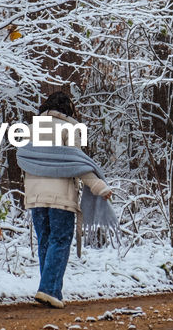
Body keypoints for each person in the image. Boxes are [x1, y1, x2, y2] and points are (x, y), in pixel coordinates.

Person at [17, 92, 116, 308]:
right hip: (60, 196)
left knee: (45, 241)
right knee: (60, 240)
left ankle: (50, 291)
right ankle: (49, 290)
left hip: (35, 198)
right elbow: (77, 164)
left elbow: (23, 159)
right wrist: (100, 187)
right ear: (67, 109)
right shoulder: (68, 129)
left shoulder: (30, 129)